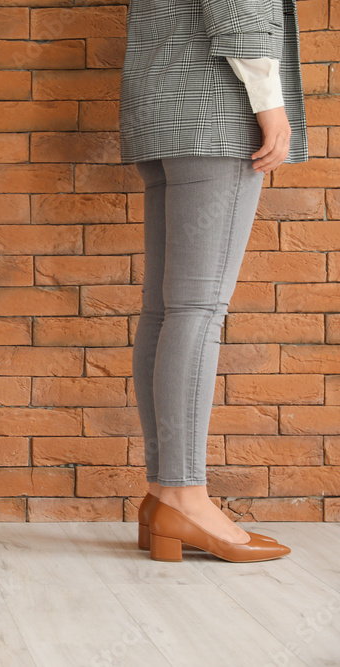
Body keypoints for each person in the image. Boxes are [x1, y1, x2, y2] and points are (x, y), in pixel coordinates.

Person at [121, 0, 306, 562]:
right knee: (197, 311)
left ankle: (164, 494)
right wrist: (270, 105)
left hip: (162, 111)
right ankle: (185, 495)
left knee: (168, 309)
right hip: (218, 113)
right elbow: (239, 9)